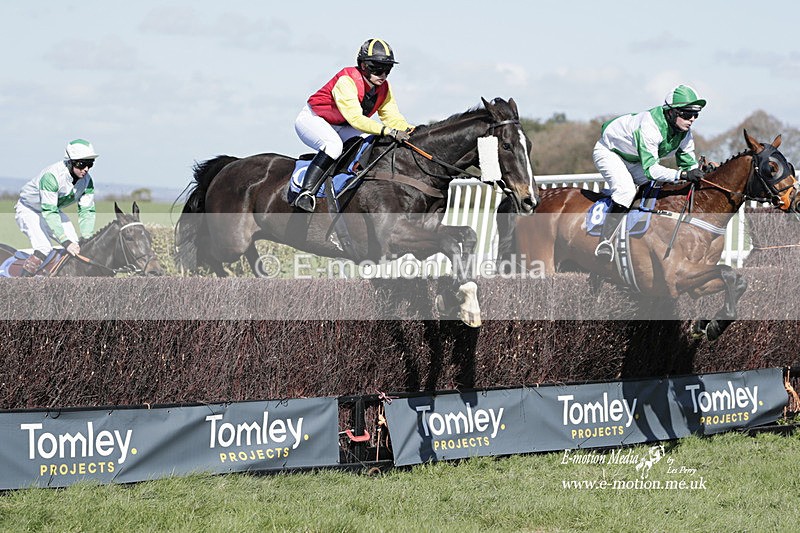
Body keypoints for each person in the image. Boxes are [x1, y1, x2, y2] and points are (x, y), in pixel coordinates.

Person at [292, 38, 414, 212]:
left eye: (387, 69)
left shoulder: (384, 88)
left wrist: (412, 131)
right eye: (378, 68)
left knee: (368, 142)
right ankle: (306, 193)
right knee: (333, 146)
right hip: (313, 119)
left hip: (342, 124)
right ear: (363, 66)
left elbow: (392, 118)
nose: (383, 74)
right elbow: (356, 119)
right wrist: (388, 131)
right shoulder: (347, 81)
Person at [593, 84, 707, 261]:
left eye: (695, 115)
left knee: (660, 189)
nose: (691, 119)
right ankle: (605, 242)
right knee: (627, 191)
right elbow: (652, 170)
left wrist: (701, 173)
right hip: (610, 153)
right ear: (671, 112)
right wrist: (682, 175)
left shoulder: (685, 133)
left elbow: (689, 165)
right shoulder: (650, 126)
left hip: (635, 159)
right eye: (686, 114)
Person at [14, 139, 98, 276]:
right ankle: (20, 285)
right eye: (82, 164)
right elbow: (49, 211)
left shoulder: (87, 182)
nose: (86, 169)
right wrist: (65, 242)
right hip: (28, 209)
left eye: (90, 164)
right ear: (70, 161)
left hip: (51, 210)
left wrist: (87, 237)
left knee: (76, 245)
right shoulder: (51, 176)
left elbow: (87, 211)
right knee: (44, 248)